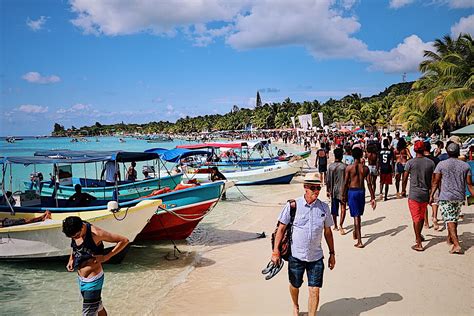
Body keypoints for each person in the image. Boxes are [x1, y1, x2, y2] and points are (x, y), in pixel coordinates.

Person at [271, 173, 335, 316]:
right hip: (296, 256)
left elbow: (328, 232)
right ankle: (295, 305)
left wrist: (332, 253)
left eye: (318, 188)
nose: (316, 191)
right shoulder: (293, 205)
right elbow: (281, 229)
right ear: (305, 187)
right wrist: (275, 252)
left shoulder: (324, 208)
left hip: (316, 257)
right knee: (295, 285)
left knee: (315, 290)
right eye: (313, 188)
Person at [63, 216, 130, 316]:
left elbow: (124, 240)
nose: (75, 238)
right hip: (81, 279)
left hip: (93, 280)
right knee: (98, 306)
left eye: (76, 236)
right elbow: (75, 246)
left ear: (81, 228)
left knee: (88, 313)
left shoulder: (96, 233)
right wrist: (71, 259)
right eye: (72, 237)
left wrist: (106, 257)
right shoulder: (75, 230)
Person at [430, 143, 474, 254]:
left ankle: (457, 244)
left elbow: (435, 181)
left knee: (449, 219)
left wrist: (431, 195)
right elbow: (469, 184)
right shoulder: (465, 166)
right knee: (453, 218)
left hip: (446, 196)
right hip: (459, 196)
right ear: (458, 152)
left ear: (447, 152)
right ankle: (450, 238)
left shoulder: (441, 164)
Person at [401, 141, 435, 252]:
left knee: (416, 218)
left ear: (414, 150)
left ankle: (418, 243)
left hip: (414, 194)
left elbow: (405, 178)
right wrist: (432, 193)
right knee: (420, 217)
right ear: (424, 149)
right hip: (425, 193)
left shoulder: (410, 163)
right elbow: (433, 180)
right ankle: (419, 235)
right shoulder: (430, 163)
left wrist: (403, 190)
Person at [342, 147, 376, 248]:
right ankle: (356, 232)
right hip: (361, 192)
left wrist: (343, 195)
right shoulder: (365, 168)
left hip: (352, 192)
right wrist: (373, 197)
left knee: (356, 216)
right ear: (361, 155)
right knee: (358, 215)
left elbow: (345, 183)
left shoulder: (349, 168)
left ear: (352, 155)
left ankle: (360, 241)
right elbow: (369, 183)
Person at [326, 148, 347, 235]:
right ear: (342, 156)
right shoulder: (345, 167)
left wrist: (327, 190)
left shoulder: (330, 167)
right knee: (343, 208)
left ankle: (335, 225)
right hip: (343, 190)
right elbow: (347, 180)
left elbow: (328, 180)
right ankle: (341, 225)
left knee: (334, 209)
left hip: (333, 190)